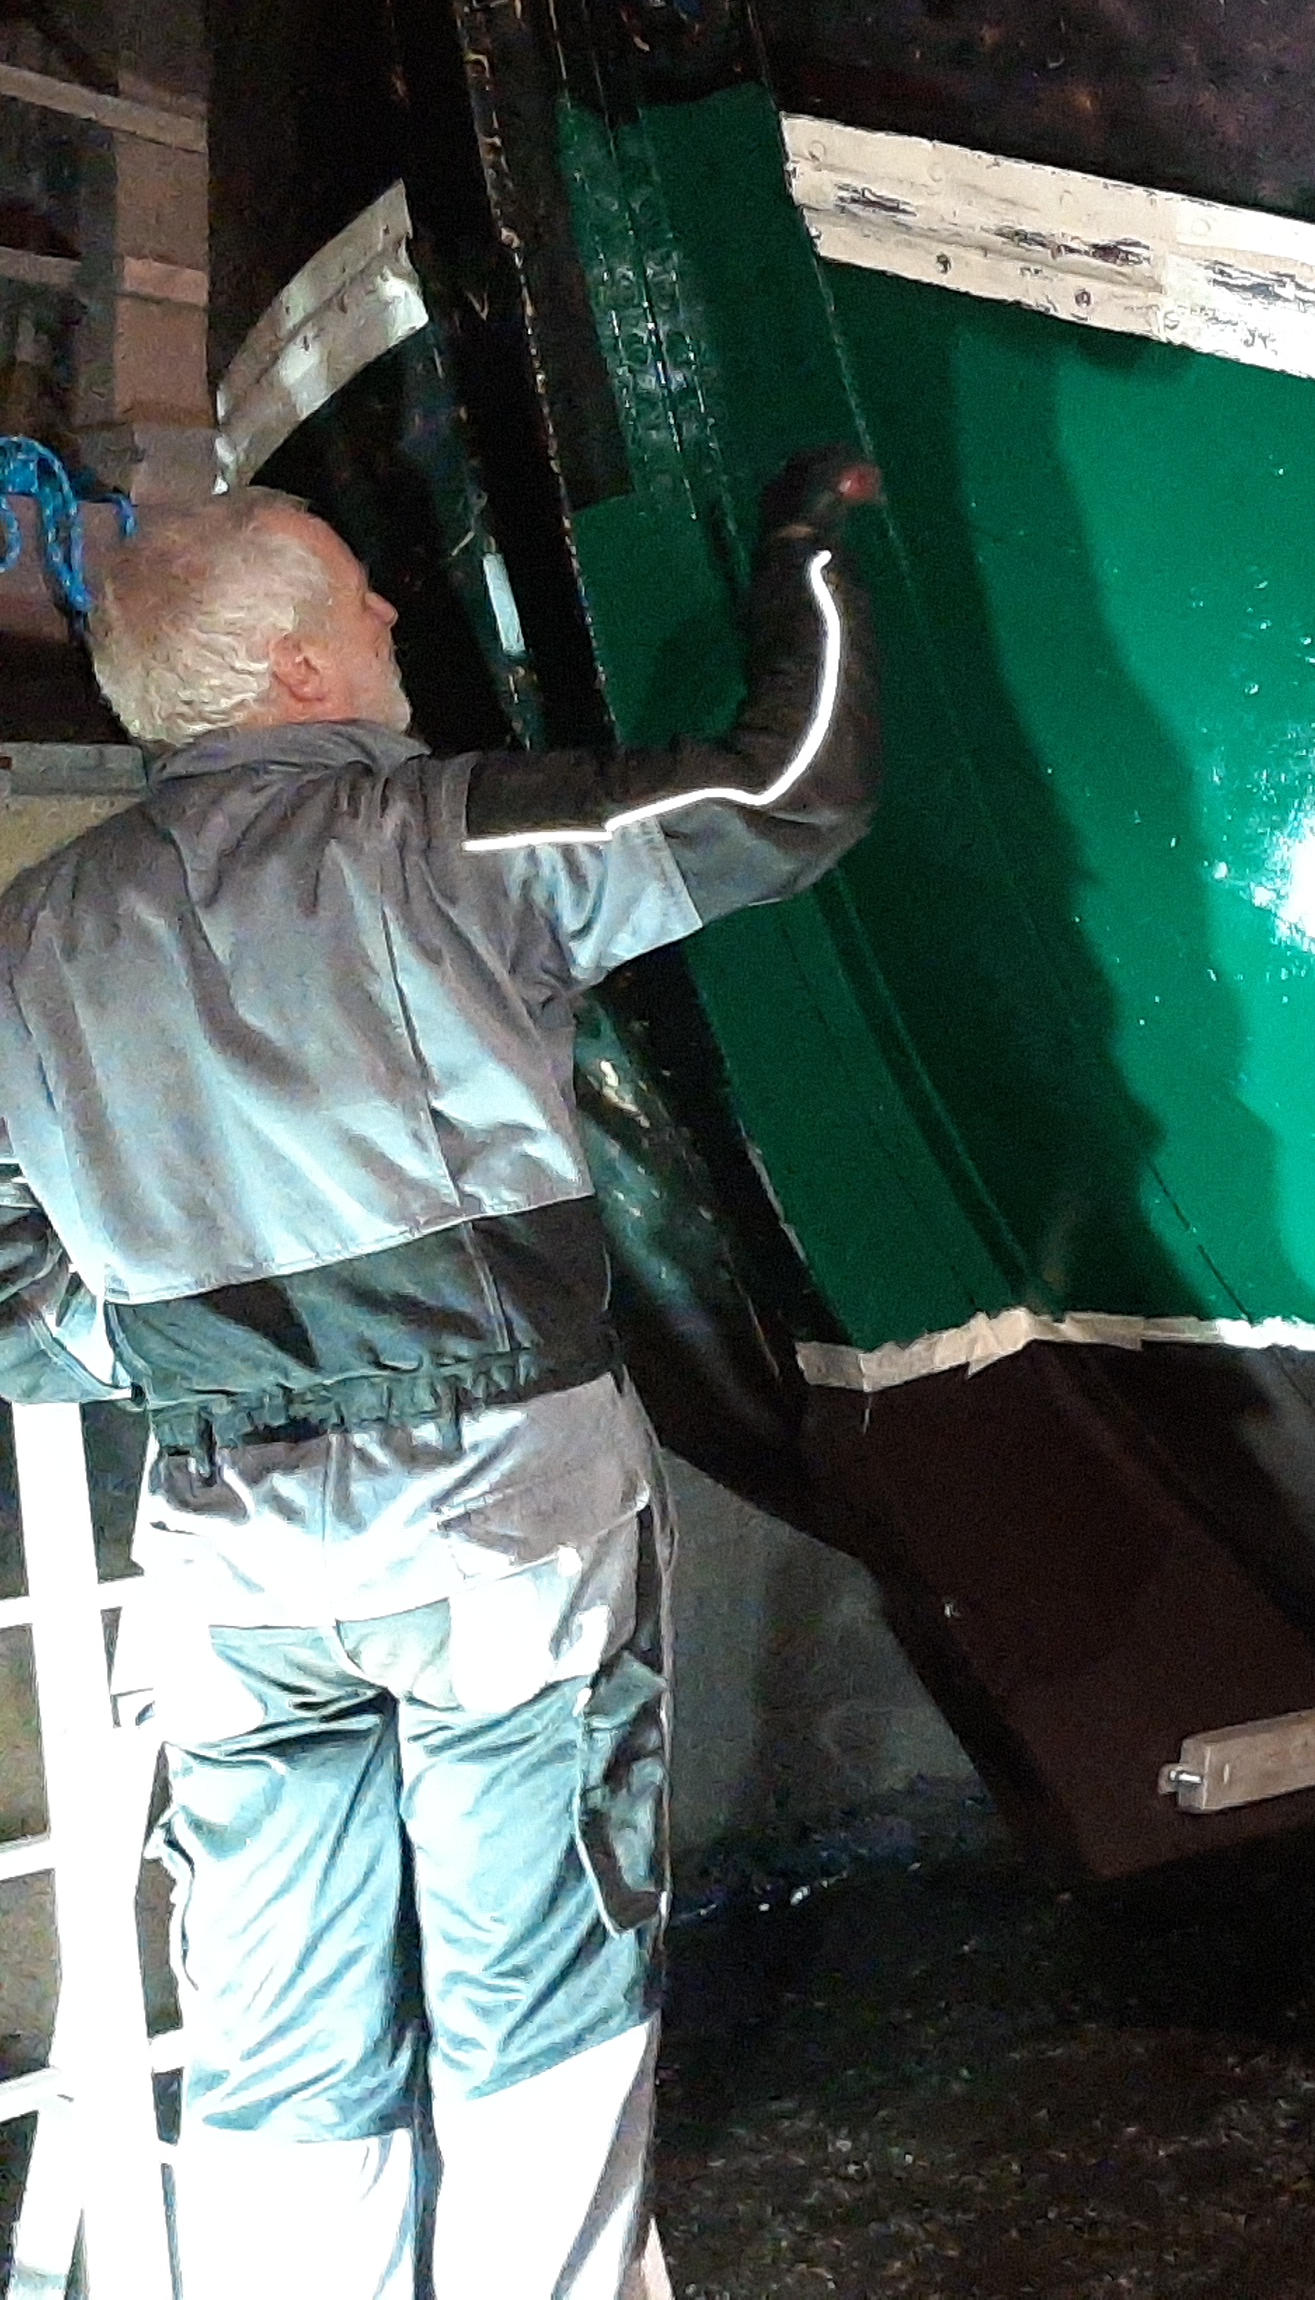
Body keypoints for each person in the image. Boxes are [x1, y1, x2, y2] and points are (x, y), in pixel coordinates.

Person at [0, 449, 883, 2300]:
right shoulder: (452, 841)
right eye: (357, 591)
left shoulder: (31, 937)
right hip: (497, 1532)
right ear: (296, 669)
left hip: (230, 1568)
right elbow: (787, 794)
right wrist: (804, 553)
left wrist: (163, 1336)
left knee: (279, 2027)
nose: (393, 607)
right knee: (536, 1995)